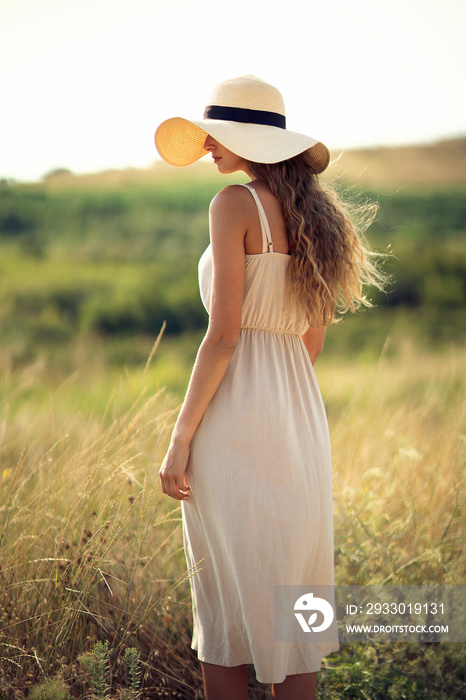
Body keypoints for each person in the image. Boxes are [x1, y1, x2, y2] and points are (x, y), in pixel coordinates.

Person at [155, 75, 384, 700]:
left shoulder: (232, 205)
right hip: (297, 417)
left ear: (253, 142)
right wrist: (278, 383)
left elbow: (223, 336)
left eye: (220, 136)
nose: (209, 148)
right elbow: (313, 337)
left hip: (236, 420)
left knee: (225, 596)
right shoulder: (318, 216)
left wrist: (182, 439)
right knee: (296, 600)